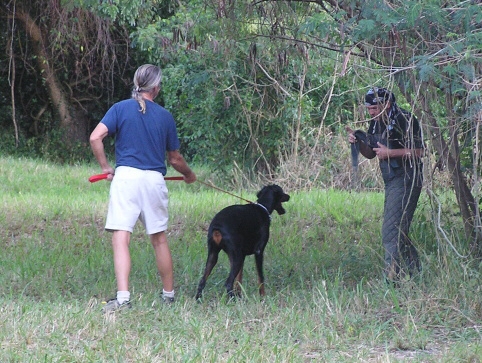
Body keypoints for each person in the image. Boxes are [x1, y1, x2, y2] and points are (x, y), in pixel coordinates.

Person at [90, 64, 196, 312]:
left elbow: (96, 137)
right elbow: (175, 159)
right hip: (153, 181)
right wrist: (189, 175)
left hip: (125, 179)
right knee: (158, 238)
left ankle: (123, 298)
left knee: (121, 238)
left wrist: (106, 167)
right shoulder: (165, 116)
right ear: (156, 88)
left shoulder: (120, 108)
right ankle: (168, 295)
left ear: (136, 82)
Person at [347, 87, 424, 283]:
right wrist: (358, 142)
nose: (371, 112)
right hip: (391, 180)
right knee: (399, 229)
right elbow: (372, 153)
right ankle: (417, 274)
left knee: (390, 232)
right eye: (369, 108)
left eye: (375, 107)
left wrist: (391, 153)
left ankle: (391, 280)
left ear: (386, 104)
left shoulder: (404, 119)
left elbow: (419, 151)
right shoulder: (376, 122)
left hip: (407, 177)